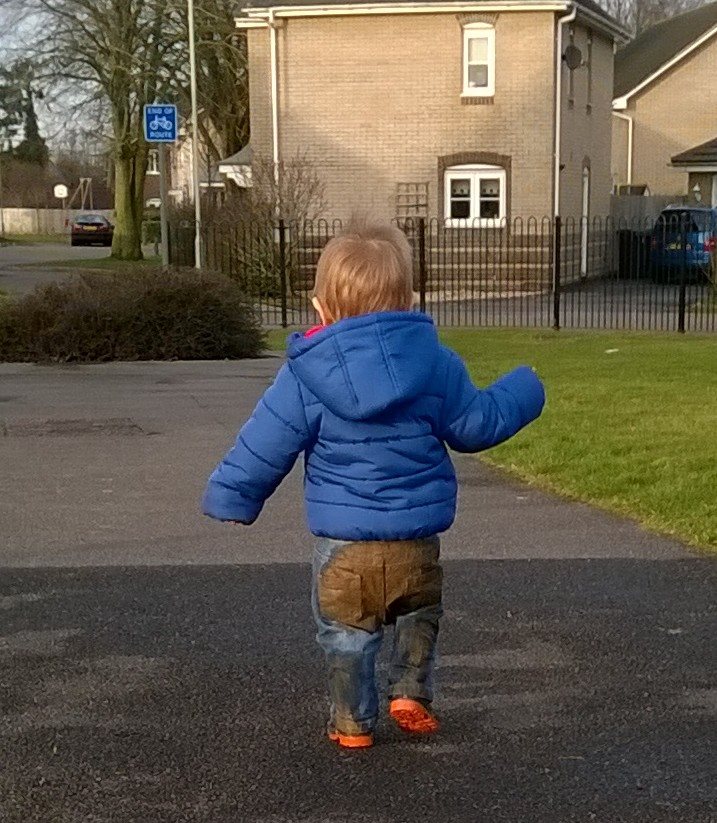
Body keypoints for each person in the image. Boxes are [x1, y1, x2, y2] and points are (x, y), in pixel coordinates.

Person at [202, 219, 545, 749]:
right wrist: (523, 390)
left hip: (344, 550)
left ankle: (353, 723)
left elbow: (267, 442)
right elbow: (476, 425)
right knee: (419, 615)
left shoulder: (304, 376)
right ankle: (409, 692)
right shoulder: (434, 365)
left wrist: (234, 494)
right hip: (414, 543)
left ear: (319, 309)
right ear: (409, 300)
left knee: (346, 637)